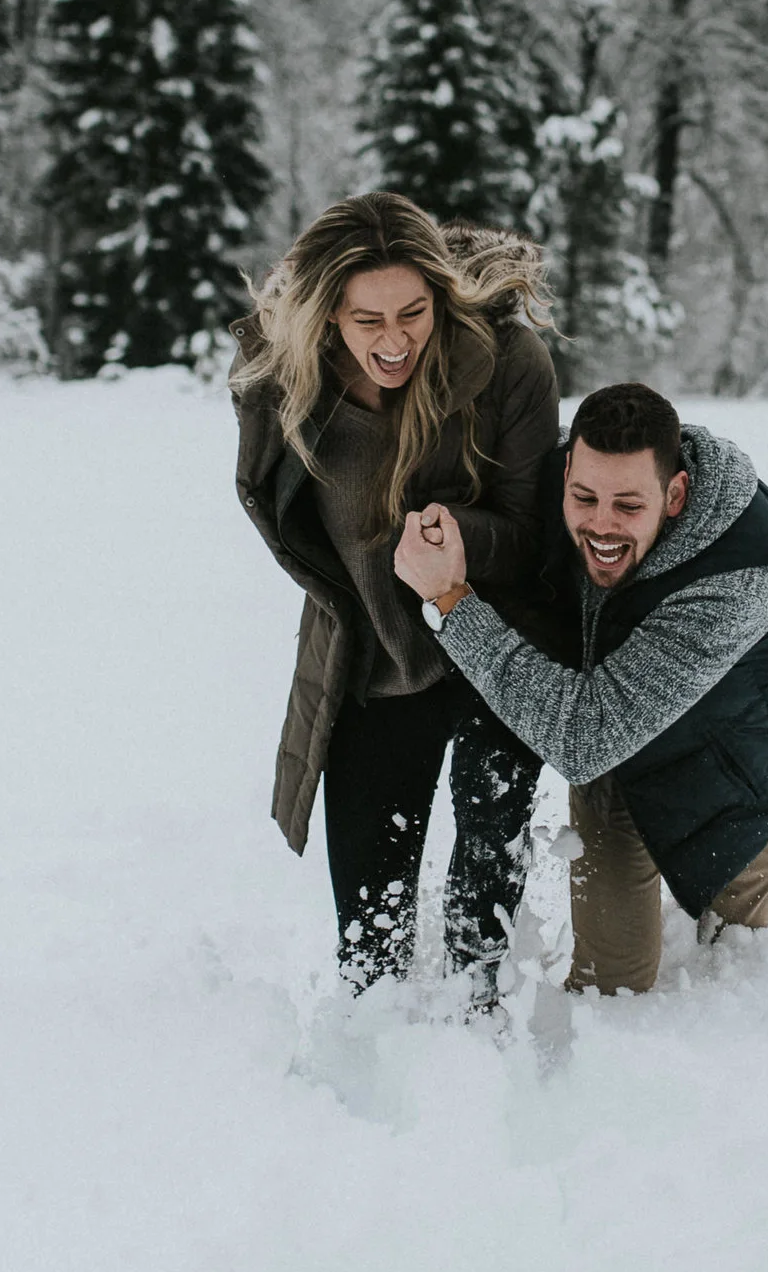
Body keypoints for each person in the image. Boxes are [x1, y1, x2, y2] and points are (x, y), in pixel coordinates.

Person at [388, 378, 768, 993]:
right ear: (568, 465)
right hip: (617, 734)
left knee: (735, 962)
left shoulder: (737, 583)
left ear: (675, 493)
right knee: (614, 984)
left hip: (745, 753)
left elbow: (580, 738)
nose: (601, 526)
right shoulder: (557, 475)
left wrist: (451, 601)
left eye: (629, 506)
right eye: (585, 497)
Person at [232, 193, 559, 989]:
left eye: (413, 311)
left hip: (492, 643)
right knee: (368, 946)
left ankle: (489, 1049)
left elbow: (536, 530)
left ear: (441, 295)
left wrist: (459, 542)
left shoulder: (507, 360)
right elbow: (287, 521)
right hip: (377, 659)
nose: (394, 339)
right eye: (365, 319)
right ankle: (371, 1076)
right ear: (327, 315)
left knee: (480, 931)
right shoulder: (286, 381)